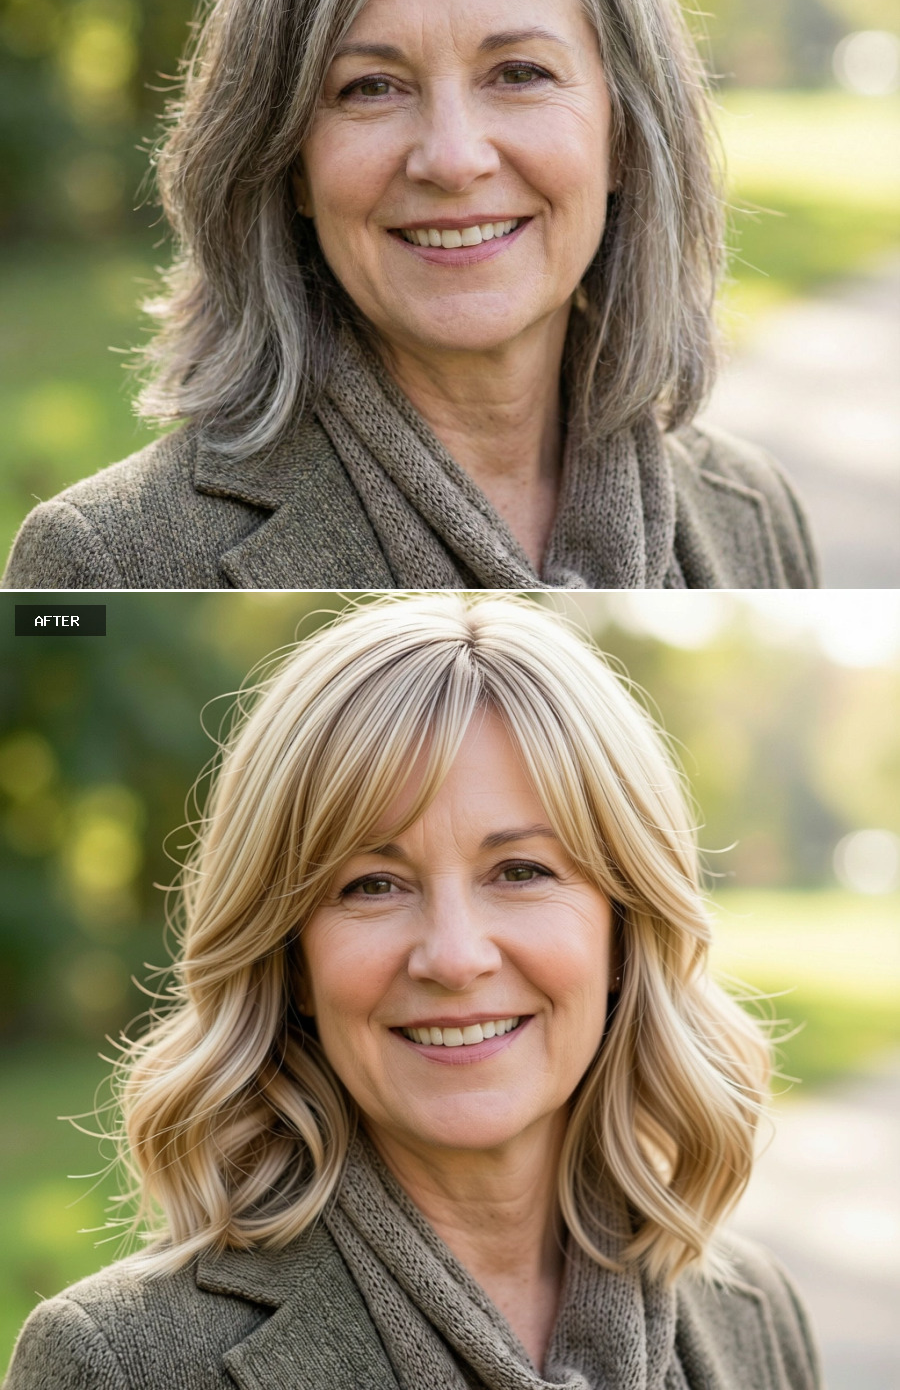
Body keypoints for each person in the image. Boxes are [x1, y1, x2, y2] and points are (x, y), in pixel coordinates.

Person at [3, 0, 817, 592]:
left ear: (627, 136)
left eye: (520, 73)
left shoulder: (754, 511)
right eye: (371, 88)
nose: (453, 158)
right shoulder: (105, 561)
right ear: (288, 162)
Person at [5, 594, 821, 1388]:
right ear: (291, 959)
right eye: (372, 885)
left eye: (522, 871)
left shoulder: (753, 1315)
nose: (454, 957)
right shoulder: (118, 1365)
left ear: (623, 932)